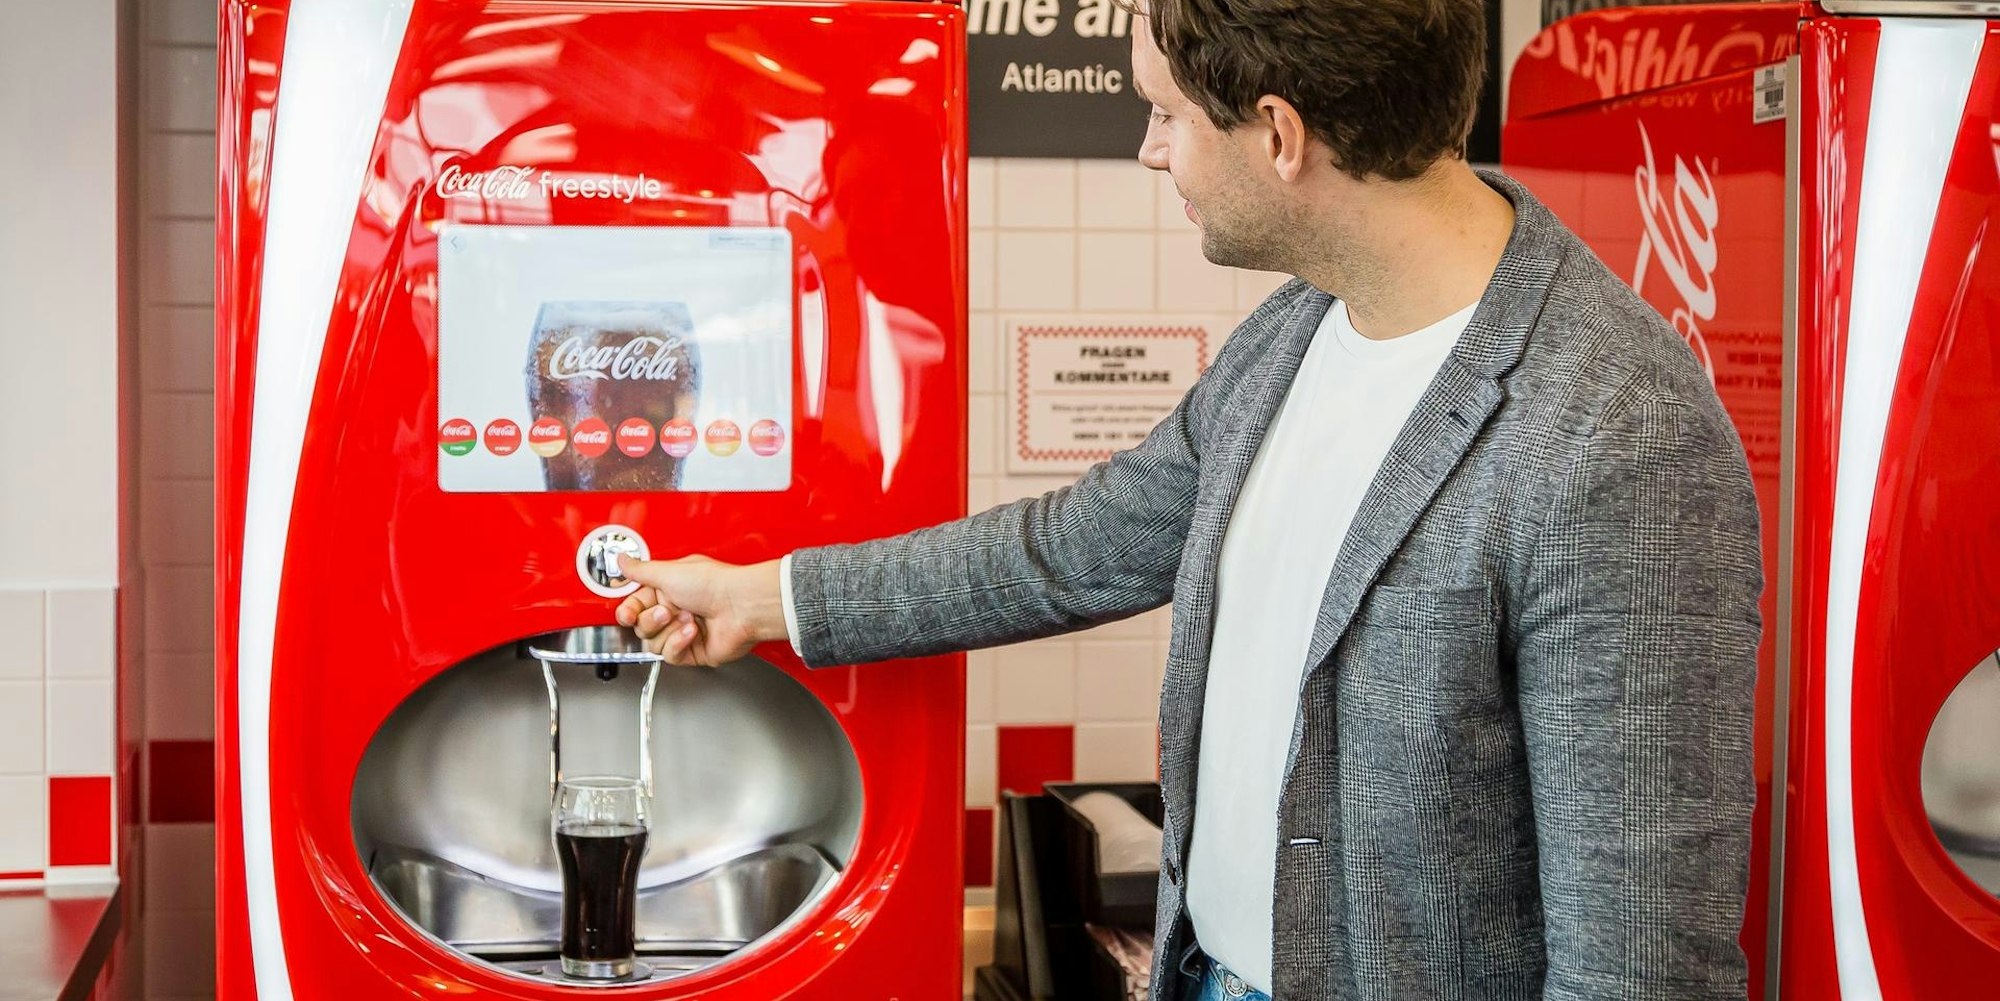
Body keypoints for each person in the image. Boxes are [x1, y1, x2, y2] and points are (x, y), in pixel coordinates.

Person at [615, 0, 1764, 997]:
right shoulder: (1299, 328)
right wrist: (767, 598)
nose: (1147, 150)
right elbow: (1073, 547)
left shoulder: (1619, 434)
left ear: (1277, 135)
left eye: (1163, 114)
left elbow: (1639, 955)